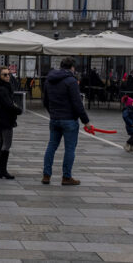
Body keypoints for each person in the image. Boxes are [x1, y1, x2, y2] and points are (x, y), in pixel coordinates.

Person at [41, 57, 93, 186]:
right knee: (70, 149)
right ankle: (66, 177)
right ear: (72, 68)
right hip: (69, 120)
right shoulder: (71, 81)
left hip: (54, 119)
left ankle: (46, 175)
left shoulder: (49, 80)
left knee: (51, 146)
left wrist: (52, 113)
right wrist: (86, 121)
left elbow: (45, 101)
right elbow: (77, 103)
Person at [0, 65, 22, 179]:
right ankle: (2, 170)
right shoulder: (3, 89)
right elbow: (9, 105)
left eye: (9, 74)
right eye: (5, 75)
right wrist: (18, 110)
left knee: (1, 142)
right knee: (6, 144)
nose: (8, 77)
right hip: (5, 119)